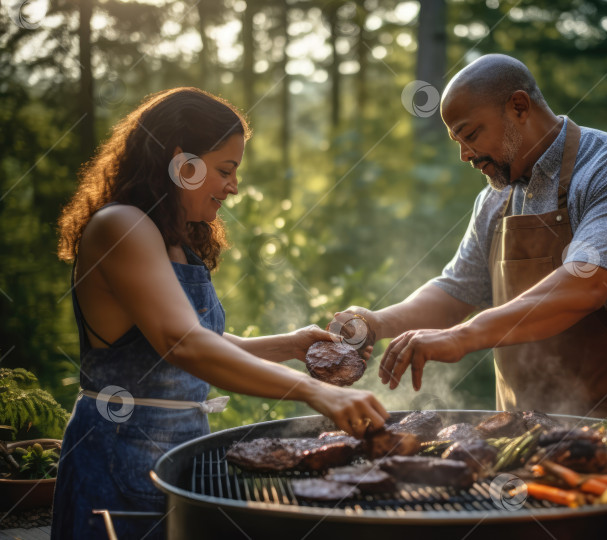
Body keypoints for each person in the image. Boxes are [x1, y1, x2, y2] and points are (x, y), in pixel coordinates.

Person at [53, 87, 388, 539]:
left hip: (177, 450)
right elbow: (182, 343)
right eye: (225, 170)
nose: (233, 186)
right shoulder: (122, 226)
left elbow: (191, 337)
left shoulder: (172, 239)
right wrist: (315, 392)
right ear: (181, 162)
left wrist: (290, 345)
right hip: (118, 452)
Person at [336, 54, 607, 424]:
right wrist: (377, 323)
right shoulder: (495, 198)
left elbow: (586, 283)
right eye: (457, 141)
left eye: (471, 134)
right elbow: (455, 291)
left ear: (518, 106)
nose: (465, 154)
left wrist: (462, 337)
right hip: (519, 430)